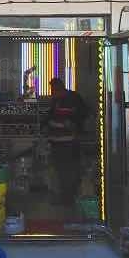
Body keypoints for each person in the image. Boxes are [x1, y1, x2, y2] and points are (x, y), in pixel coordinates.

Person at [44, 77, 88, 206]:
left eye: (54, 90)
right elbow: (49, 117)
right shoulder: (55, 101)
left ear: (60, 88)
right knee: (59, 172)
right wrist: (46, 127)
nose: (52, 92)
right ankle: (64, 198)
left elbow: (83, 114)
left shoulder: (74, 98)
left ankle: (69, 199)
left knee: (69, 171)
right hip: (56, 142)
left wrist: (74, 125)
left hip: (69, 142)